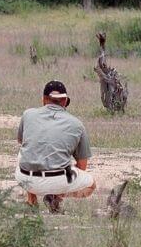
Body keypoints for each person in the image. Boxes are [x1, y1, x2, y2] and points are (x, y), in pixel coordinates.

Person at [15, 80, 96, 213]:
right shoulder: (77, 124)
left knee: (24, 151)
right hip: (59, 180)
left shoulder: (28, 114)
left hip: (25, 178)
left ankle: (31, 200)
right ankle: (56, 198)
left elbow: (22, 142)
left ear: (43, 99)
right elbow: (82, 165)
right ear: (65, 101)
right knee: (91, 186)